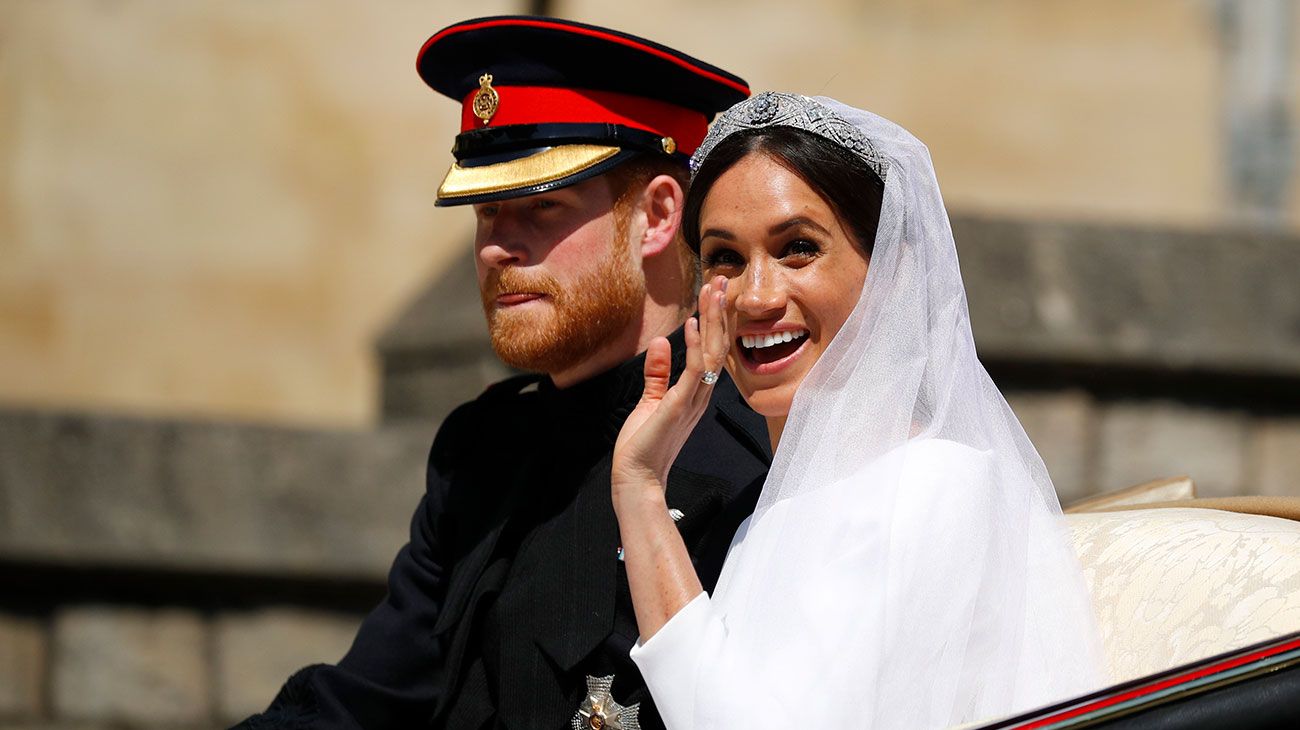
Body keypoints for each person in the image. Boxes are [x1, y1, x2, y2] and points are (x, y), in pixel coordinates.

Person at [237, 18, 769, 730]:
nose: (495, 248)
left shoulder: (760, 445)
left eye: (541, 207)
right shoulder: (481, 451)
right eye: (486, 211)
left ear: (658, 215)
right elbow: (365, 704)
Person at [610, 93, 1105, 729]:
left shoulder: (938, 485)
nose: (756, 296)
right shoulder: (766, 515)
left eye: (797, 249)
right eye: (725, 258)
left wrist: (642, 496)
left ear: (892, 272)